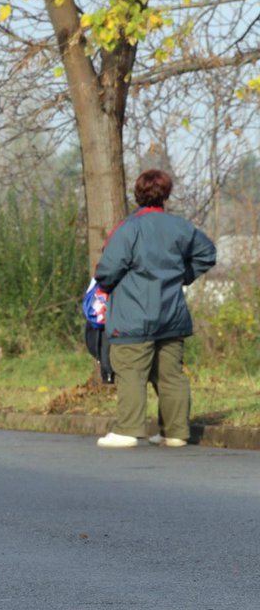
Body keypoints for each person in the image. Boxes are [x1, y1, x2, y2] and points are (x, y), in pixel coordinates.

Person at [93, 168, 216, 449]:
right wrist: (183, 276)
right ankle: (175, 433)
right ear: (166, 195)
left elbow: (107, 271)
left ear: (137, 195)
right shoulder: (181, 228)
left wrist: (108, 285)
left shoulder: (128, 229)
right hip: (171, 314)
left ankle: (128, 430)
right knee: (171, 375)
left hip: (133, 317)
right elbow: (207, 254)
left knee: (130, 371)